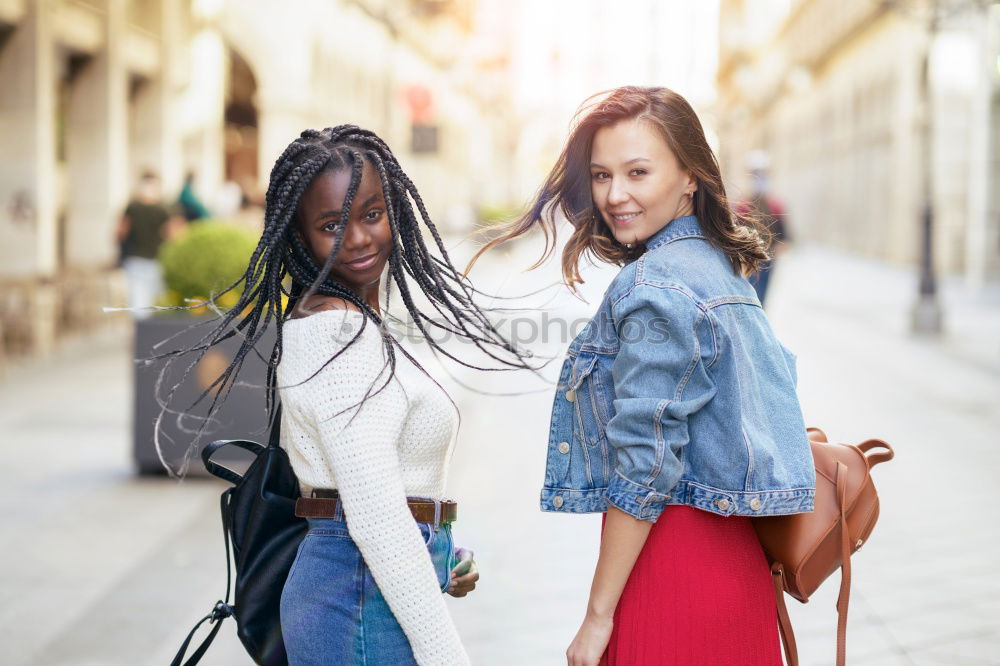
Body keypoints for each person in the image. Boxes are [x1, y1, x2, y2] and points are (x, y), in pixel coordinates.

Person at [151, 125, 533, 665]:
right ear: (300, 237)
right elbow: (375, 520)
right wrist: (448, 656)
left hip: (363, 590)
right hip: (357, 598)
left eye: (371, 214)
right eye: (332, 224)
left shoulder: (353, 322)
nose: (357, 238)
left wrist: (439, 552)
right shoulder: (335, 335)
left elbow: (382, 487)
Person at [467, 87, 816, 665]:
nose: (615, 194)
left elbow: (645, 463)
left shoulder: (656, 286)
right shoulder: (720, 269)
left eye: (637, 172)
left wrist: (597, 615)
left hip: (674, 566)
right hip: (739, 571)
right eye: (602, 175)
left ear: (690, 177)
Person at [116, 171, 183, 319]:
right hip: (155, 259)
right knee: (155, 300)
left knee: (138, 303)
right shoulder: (164, 209)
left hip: (135, 260)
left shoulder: (132, 207)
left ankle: (141, 334)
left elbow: (120, 231)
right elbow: (173, 235)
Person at [737, 150, 790, 307]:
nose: (759, 178)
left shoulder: (775, 205)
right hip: (749, 259)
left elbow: (785, 237)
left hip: (768, 260)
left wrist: (777, 249)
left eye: (763, 173)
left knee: (762, 297)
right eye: (755, 173)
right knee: (750, 294)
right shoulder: (741, 207)